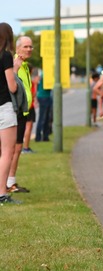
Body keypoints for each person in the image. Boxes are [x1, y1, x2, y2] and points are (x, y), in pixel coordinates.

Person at [7, 36, 34, 193]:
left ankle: (11, 181)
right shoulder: (15, 63)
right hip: (16, 111)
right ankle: (7, 183)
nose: (29, 49)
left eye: (31, 47)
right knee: (12, 149)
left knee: (17, 148)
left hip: (23, 111)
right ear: (17, 48)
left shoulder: (24, 65)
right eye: (26, 46)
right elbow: (12, 85)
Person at [0, 22, 22, 204]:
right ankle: (2, 192)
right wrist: (15, 70)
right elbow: (12, 87)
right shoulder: (5, 56)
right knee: (8, 151)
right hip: (4, 107)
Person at [22, 64, 38, 153]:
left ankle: (20, 145)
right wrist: (35, 85)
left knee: (21, 127)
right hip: (29, 106)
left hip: (23, 106)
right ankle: (26, 147)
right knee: (28, 127)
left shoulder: (22, 80)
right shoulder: (30, 82)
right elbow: (33, 95)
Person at [35, 70, 52, 142]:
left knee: (47, 118)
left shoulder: (45, 73)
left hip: (47, 96)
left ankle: (45, 136)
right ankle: (38, 137)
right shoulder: (44, 74)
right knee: (42, 118)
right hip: (43, 97)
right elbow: (36, 82)